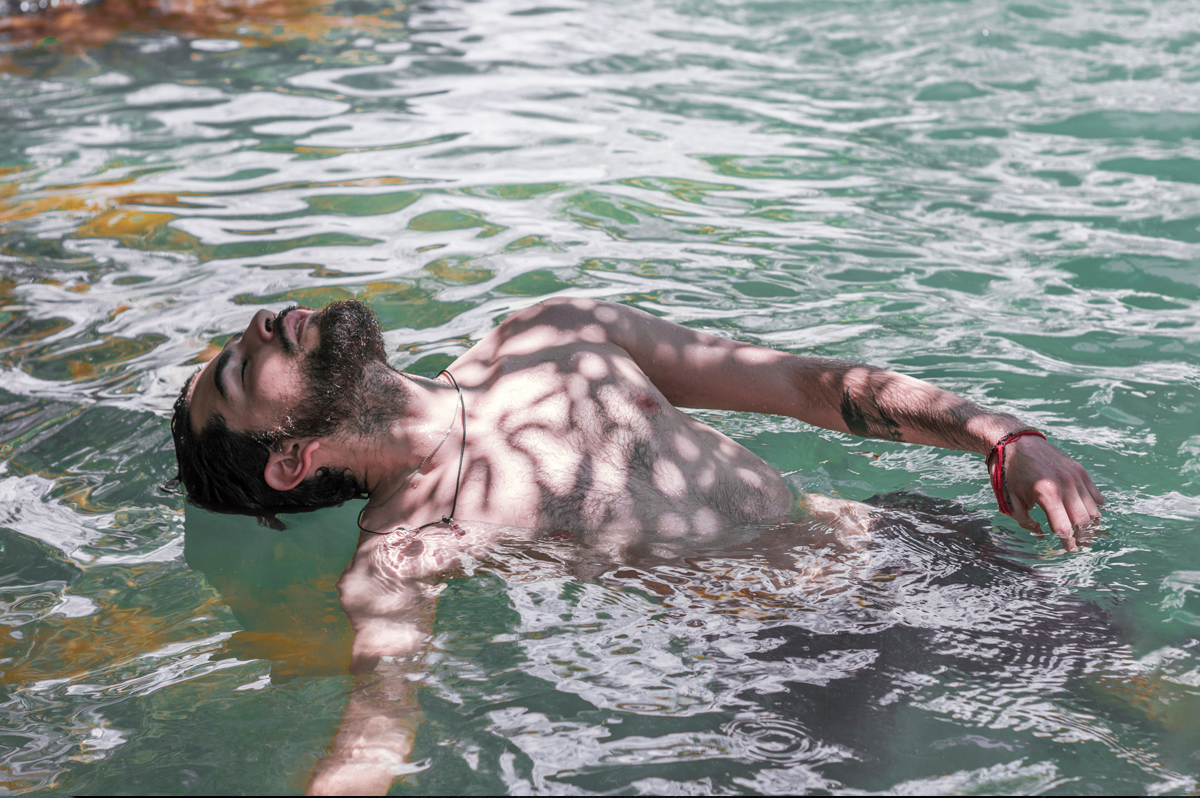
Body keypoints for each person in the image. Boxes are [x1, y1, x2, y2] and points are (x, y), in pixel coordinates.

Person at [170, 296, 1103, 794]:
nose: (259, 321)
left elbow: (818, 388)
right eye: (246, 368)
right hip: (798, 661)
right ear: (291, 461)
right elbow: (376, 728)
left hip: (901, 545)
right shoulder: (408, 548)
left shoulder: (549, 334)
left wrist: (1002, 436)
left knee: (1142, 699)